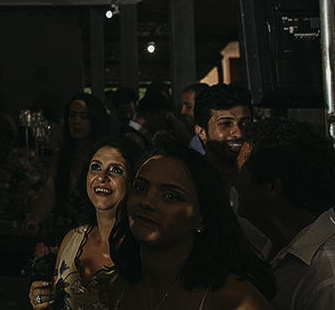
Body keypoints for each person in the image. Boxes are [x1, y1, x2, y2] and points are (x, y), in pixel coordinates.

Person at [108, 143, 275, 310]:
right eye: (140, 187)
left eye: (170, 196)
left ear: (202, 219)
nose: (146, 202)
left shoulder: (235, 300)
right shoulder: (115, 286)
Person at [233, 118, 335, 310]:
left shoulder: (327, 277)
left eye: (240, 172)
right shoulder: (277, 243)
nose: (233, 182)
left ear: (271, 187)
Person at [29, 137, 143, 310]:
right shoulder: (73, 239)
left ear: (133, 182)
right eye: (95, 167)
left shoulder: (143, 248)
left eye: (116, 170)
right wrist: (42, 301)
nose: (102, 177)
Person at [23, 92, 110, 235]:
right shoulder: (62, 157)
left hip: (98, 230)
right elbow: (47, 194)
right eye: (72, 115)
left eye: (84, 117)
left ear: (95, 120)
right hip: (66, 230)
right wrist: (34, 219)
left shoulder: (107, 156)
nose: (76, 121)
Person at [193, 83, 252, 185]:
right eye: (226, 124)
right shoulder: (191, 181)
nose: (239, 134)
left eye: (245, 124)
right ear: (201, 132)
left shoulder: (262, 180)